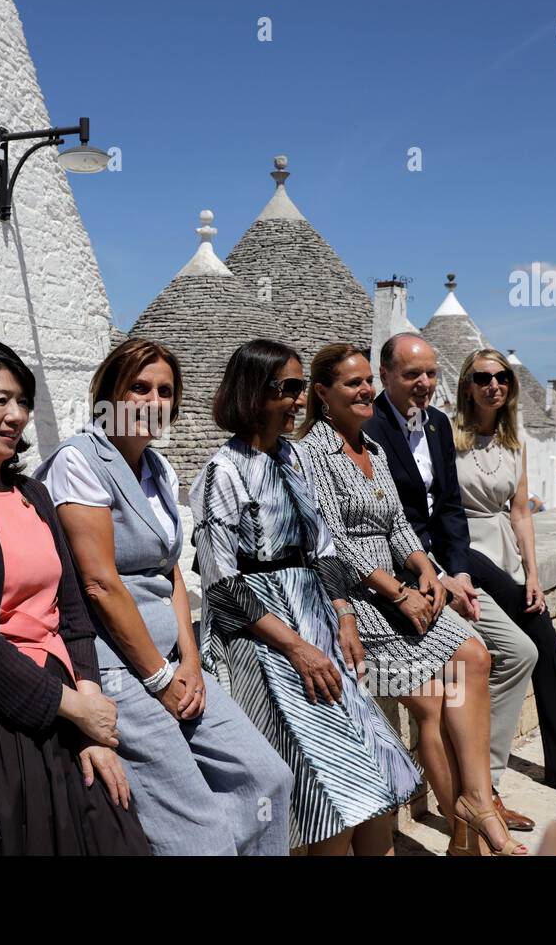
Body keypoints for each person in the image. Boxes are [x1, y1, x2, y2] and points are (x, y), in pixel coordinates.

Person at [36, 337, 293, 855]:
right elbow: (100, 583)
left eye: (165, 391)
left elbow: (170, 570)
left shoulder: (158, 468)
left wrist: (190, 662)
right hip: (116, 667)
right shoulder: (79, 462)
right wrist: (158, 676)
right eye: (139, 388)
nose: (153, 401)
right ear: (108, 394)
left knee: (267, 779)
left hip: (172, 661)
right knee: (200, 834)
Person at [0, 336, 151, 856]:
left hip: (67, 698)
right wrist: (74, 711)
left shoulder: (32, 494)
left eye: (22, 401)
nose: (16, 416)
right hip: (4, 719)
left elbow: (74, 613)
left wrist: (89, 700)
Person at [190, 339, 421, 855]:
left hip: (315, 618)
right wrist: (297, 648)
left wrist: (344, 617)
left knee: (381, 781)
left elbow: (324, 546)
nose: (299, 400)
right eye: (289, 389)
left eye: (299, 388)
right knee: (331, 792)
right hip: (266, 640)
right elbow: (222, 585)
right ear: (254, 392)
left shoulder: (293, 458)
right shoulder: (222, 472)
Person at [298, 343, 527, 856]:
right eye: (352, 384)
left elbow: (399, 524)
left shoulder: (372, 449)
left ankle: (476, 802)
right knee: (429, 701)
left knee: (473, 655)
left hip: (400, 586)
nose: (364, 392)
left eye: (366, 384)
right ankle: (466, 830)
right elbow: (335, 540)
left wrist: (425, 568)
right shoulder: (313, 452)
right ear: (322, 394)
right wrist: (400, 592)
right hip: (361, 597)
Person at [367, 332, 540, 833]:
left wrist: (458, 572)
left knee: (519, 653)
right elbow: (387, 520)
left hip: (451, 570)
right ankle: (473, 809)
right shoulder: (370, 427)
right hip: (402, 576)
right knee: (449, 684)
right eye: (411, 375)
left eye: (429, 374)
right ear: (386, 377)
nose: (423, 384)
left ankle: (483, 791)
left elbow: (448, 509)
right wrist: (436, 576)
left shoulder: (439, 425)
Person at [454, 349, 556, 801]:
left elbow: (521, 512)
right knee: (540, 643)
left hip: (501, 553)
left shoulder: (513, 443)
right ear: (468, 384)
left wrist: (533, 573)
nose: (494, 385)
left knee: (542, 643)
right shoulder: (445, 436)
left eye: (503, 377)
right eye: (484, 377)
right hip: (464, 552)